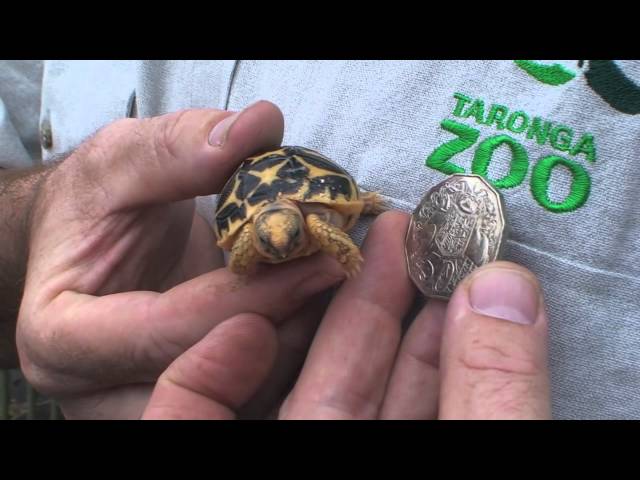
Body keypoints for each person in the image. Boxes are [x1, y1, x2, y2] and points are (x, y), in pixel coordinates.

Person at [0, 60, 638, 419]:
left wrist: (344, 228)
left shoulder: (318, 220)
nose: (274, 249)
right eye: (268, 244)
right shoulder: (261, 237)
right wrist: (40, 220)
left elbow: (337, 223)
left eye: (279, 240)